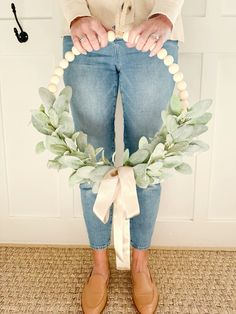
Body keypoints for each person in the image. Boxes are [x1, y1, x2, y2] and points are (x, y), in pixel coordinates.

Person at [59, 1, 185, 313]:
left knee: (148, 162)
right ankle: (99, 265)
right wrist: (75, 12)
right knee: (91, 162)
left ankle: (140, 263)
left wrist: (166, 14)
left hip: (154, 34)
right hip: (87, 34)